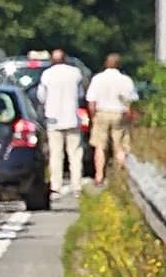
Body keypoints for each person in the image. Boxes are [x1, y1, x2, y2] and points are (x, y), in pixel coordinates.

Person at [86, 53, 139, 185]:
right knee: (120, 145)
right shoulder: (126, 80)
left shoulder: (97, 78)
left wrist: (93, 116)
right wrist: (129, 117)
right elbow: (130, 102)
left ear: (106, 64)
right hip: (119, 113)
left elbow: (91, 101)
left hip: (102, 112)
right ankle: (120, 174)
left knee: (100, 145)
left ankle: (99, 175)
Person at [36, 49, 84, 195]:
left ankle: (56, 184)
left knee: (55, 153)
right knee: (75, 153)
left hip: (53, 119)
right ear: (65, 59)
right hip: (72, 118)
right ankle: (76, 184)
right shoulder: (75, 73)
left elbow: (41, 96)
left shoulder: (47, 74)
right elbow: (81, 94)